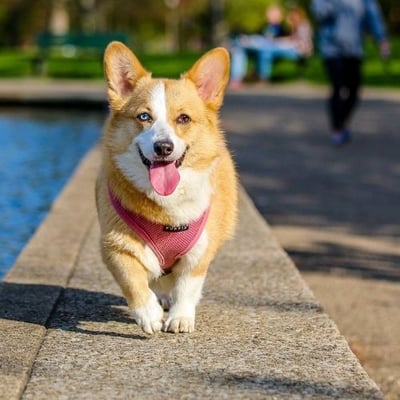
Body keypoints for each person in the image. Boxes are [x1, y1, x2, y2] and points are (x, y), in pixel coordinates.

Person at [311, 0, 390, 146]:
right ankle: (337, 128)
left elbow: (372, 15)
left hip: (354, 48)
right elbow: (319, 13)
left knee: (354, 90)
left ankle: (342, 121)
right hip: (332, 48)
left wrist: (381, 39)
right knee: (337, 86)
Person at [229, 5, 313, 88]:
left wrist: (281, 41)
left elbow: (299, 43)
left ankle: (261, 77)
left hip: (299, 51)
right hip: (272, 47)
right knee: (239, 49)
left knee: (266, 50)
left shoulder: (300, 25)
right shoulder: (266, 25)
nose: (289, 18)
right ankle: (237, 79)